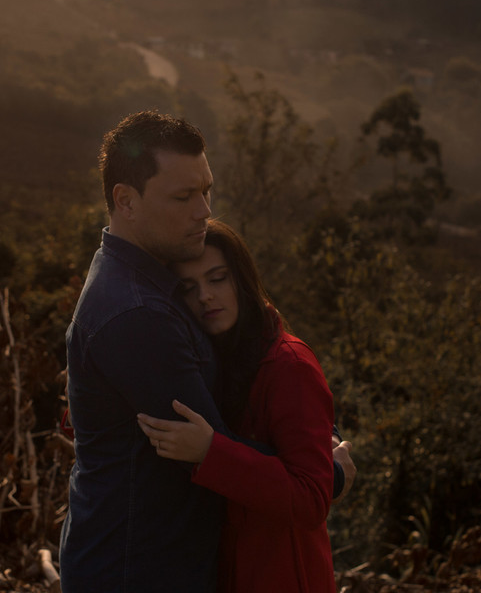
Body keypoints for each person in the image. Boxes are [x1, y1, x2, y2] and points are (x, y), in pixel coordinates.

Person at [59, 110, 229, 593]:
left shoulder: (153, 279)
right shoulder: (137, 315)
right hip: (136, 571)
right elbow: (218, 458)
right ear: (125, 201)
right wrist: (322, 472)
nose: (203, 211)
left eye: (206, 191)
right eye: (183, 196)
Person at [137, 219, 347, 593]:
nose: (205, 296)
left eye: (217, 279)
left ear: (242, 279)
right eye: (189, 287)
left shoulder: (289, 365)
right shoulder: (208, 361)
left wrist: (209, 452)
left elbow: (312, 497)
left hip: (284, 575)